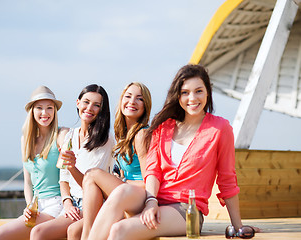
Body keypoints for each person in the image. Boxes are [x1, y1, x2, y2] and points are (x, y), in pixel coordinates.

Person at [93, 64, 258, 240]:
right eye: (185, 92)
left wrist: (238, 226)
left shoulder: (220, 128)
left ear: (208, 92)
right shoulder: (163, 126)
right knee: (120, 192)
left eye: (198, 91)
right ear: (177, 96)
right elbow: (153, 170)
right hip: (154, 199)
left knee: (119, 230)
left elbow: (227, 179)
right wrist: (151, 201)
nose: (192, 98)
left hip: (185, 209)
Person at [29, 84, 114, 240]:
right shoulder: (70, 136)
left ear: (102, 110)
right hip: (70, 204)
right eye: (86, 102)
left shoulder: (105, 140)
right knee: (37, 233)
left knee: (72, 232)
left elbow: (91, 186)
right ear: (78, 103)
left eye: (97, 105)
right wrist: (67, 201)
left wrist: (73, 167)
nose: (89, 108)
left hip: (92, 204)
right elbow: (63, 179)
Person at [68, 82, 152, 240]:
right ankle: (88, 233)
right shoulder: (123, 135)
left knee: (92, 174)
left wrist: (122, 181)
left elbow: (149, 181)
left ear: (145, 106)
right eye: (128, 96)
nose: (132, 101)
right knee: (73, 230)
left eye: (139, 99)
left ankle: (88, 236)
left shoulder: (142, 135)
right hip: (125, 194)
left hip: (139, 197)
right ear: (121, 101)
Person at [0, 86, 68, 240]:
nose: (45, 113)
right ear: (32, 111)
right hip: (36, 207)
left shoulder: (62, 134)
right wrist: (29, 206)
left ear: (54, 111)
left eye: (49, 108)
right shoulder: (25, 140)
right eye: (39, 108)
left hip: (57, 205)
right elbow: (28, 183)